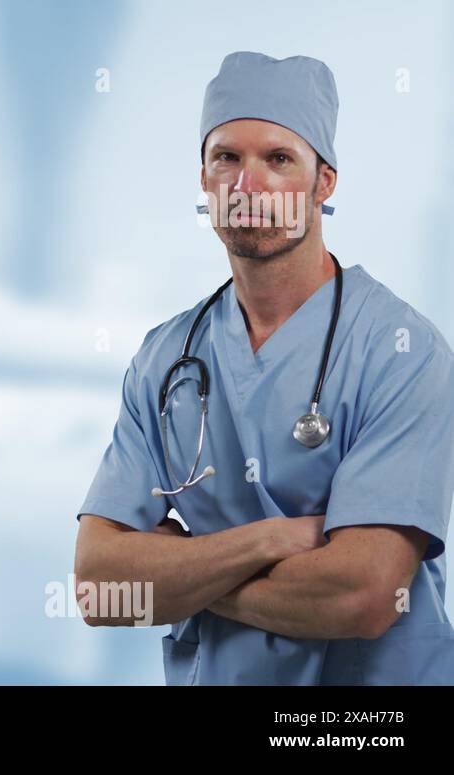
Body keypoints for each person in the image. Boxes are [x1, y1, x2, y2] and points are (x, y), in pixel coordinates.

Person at [74, 51, 454, 684]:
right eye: (227, 157)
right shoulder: (165, 359)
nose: (248, 186)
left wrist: (183, 572)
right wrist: (272, 540)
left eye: (279, 159)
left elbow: (363, 597)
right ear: (203, 177)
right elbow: (98, 591)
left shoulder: (400, 351)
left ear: (323, 182)